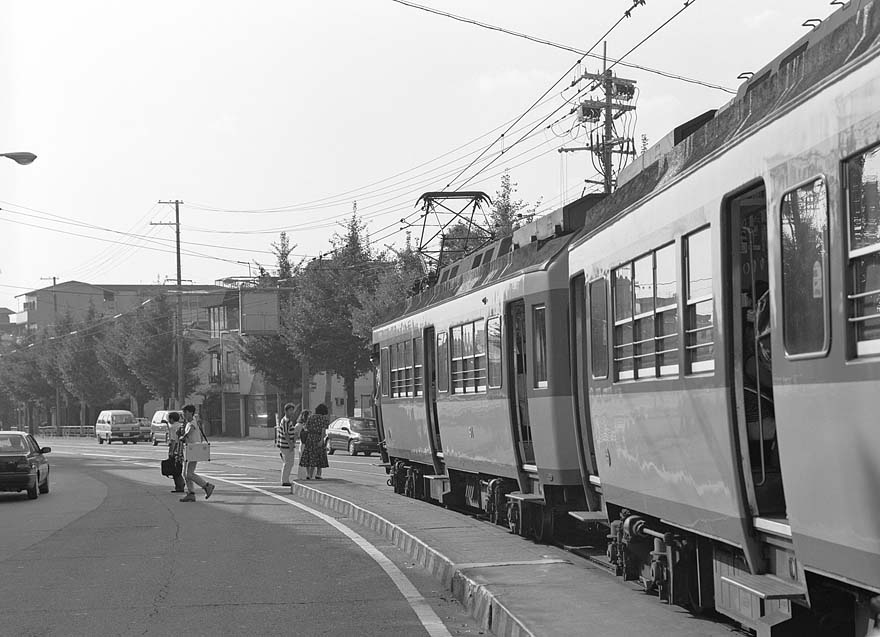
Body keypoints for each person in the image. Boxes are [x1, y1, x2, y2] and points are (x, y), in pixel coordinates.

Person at [179, 404, 215, 502]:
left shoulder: (192, 422)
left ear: (191, 412)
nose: (184, 414)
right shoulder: (189, 422)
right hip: (190, 450)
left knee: (189, 474)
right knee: (186, 474)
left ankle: (206, 486)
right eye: (183, 412)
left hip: (193, 450)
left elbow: (190, 431)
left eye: (185, 412)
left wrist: (183, 437)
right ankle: (191, 493)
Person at [299, 403, 330, 480]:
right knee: (319, 455)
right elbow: (323, 430)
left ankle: (309, 474)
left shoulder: (311, 417)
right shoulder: (324, 419)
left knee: (309, 455)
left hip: (310, 437)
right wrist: (322, 440)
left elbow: (306, 427)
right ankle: (318, 474)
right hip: (318, 437)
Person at [276, 402, 301, 486]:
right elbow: (285, 433)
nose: (292, 412)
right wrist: (290, 444)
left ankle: (285, 479)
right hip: (286, 445)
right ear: (286, 411)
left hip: (286, 445)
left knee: (289, 463)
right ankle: (285, 480)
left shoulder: (288, 421)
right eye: (290, 410)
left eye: (292, 410)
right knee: (288, 463)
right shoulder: (286, 421)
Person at [167, 412, 186, 493]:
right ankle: (180, 485)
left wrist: (171, 451)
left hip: (175, 449)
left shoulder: (173, 427)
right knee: (178, 467)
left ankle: (179, 485)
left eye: (169, 418)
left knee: (174, 468)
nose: (169, 420)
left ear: (172, 419)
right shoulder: (180, 425)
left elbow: (173, 440)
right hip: (181, 449)